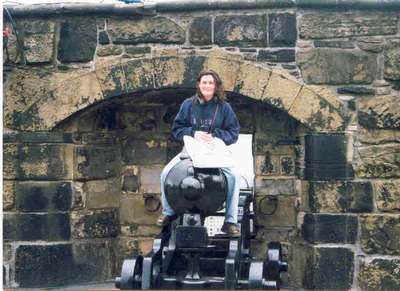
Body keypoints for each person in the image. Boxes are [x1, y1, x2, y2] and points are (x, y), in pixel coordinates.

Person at [156, 69, 241, 237]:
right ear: (198, 85)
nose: (207, 86)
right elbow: (176, 129)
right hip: (191, 149)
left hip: (214, 151)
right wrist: (193, 133)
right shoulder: (188, 104)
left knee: (234, 177)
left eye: (211, 83)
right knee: (165, 173)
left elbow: (234, 133)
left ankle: (230, 221)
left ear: (215, 86)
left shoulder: (224, 107)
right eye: (204, 82)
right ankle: (168, 211)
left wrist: (215, 135)